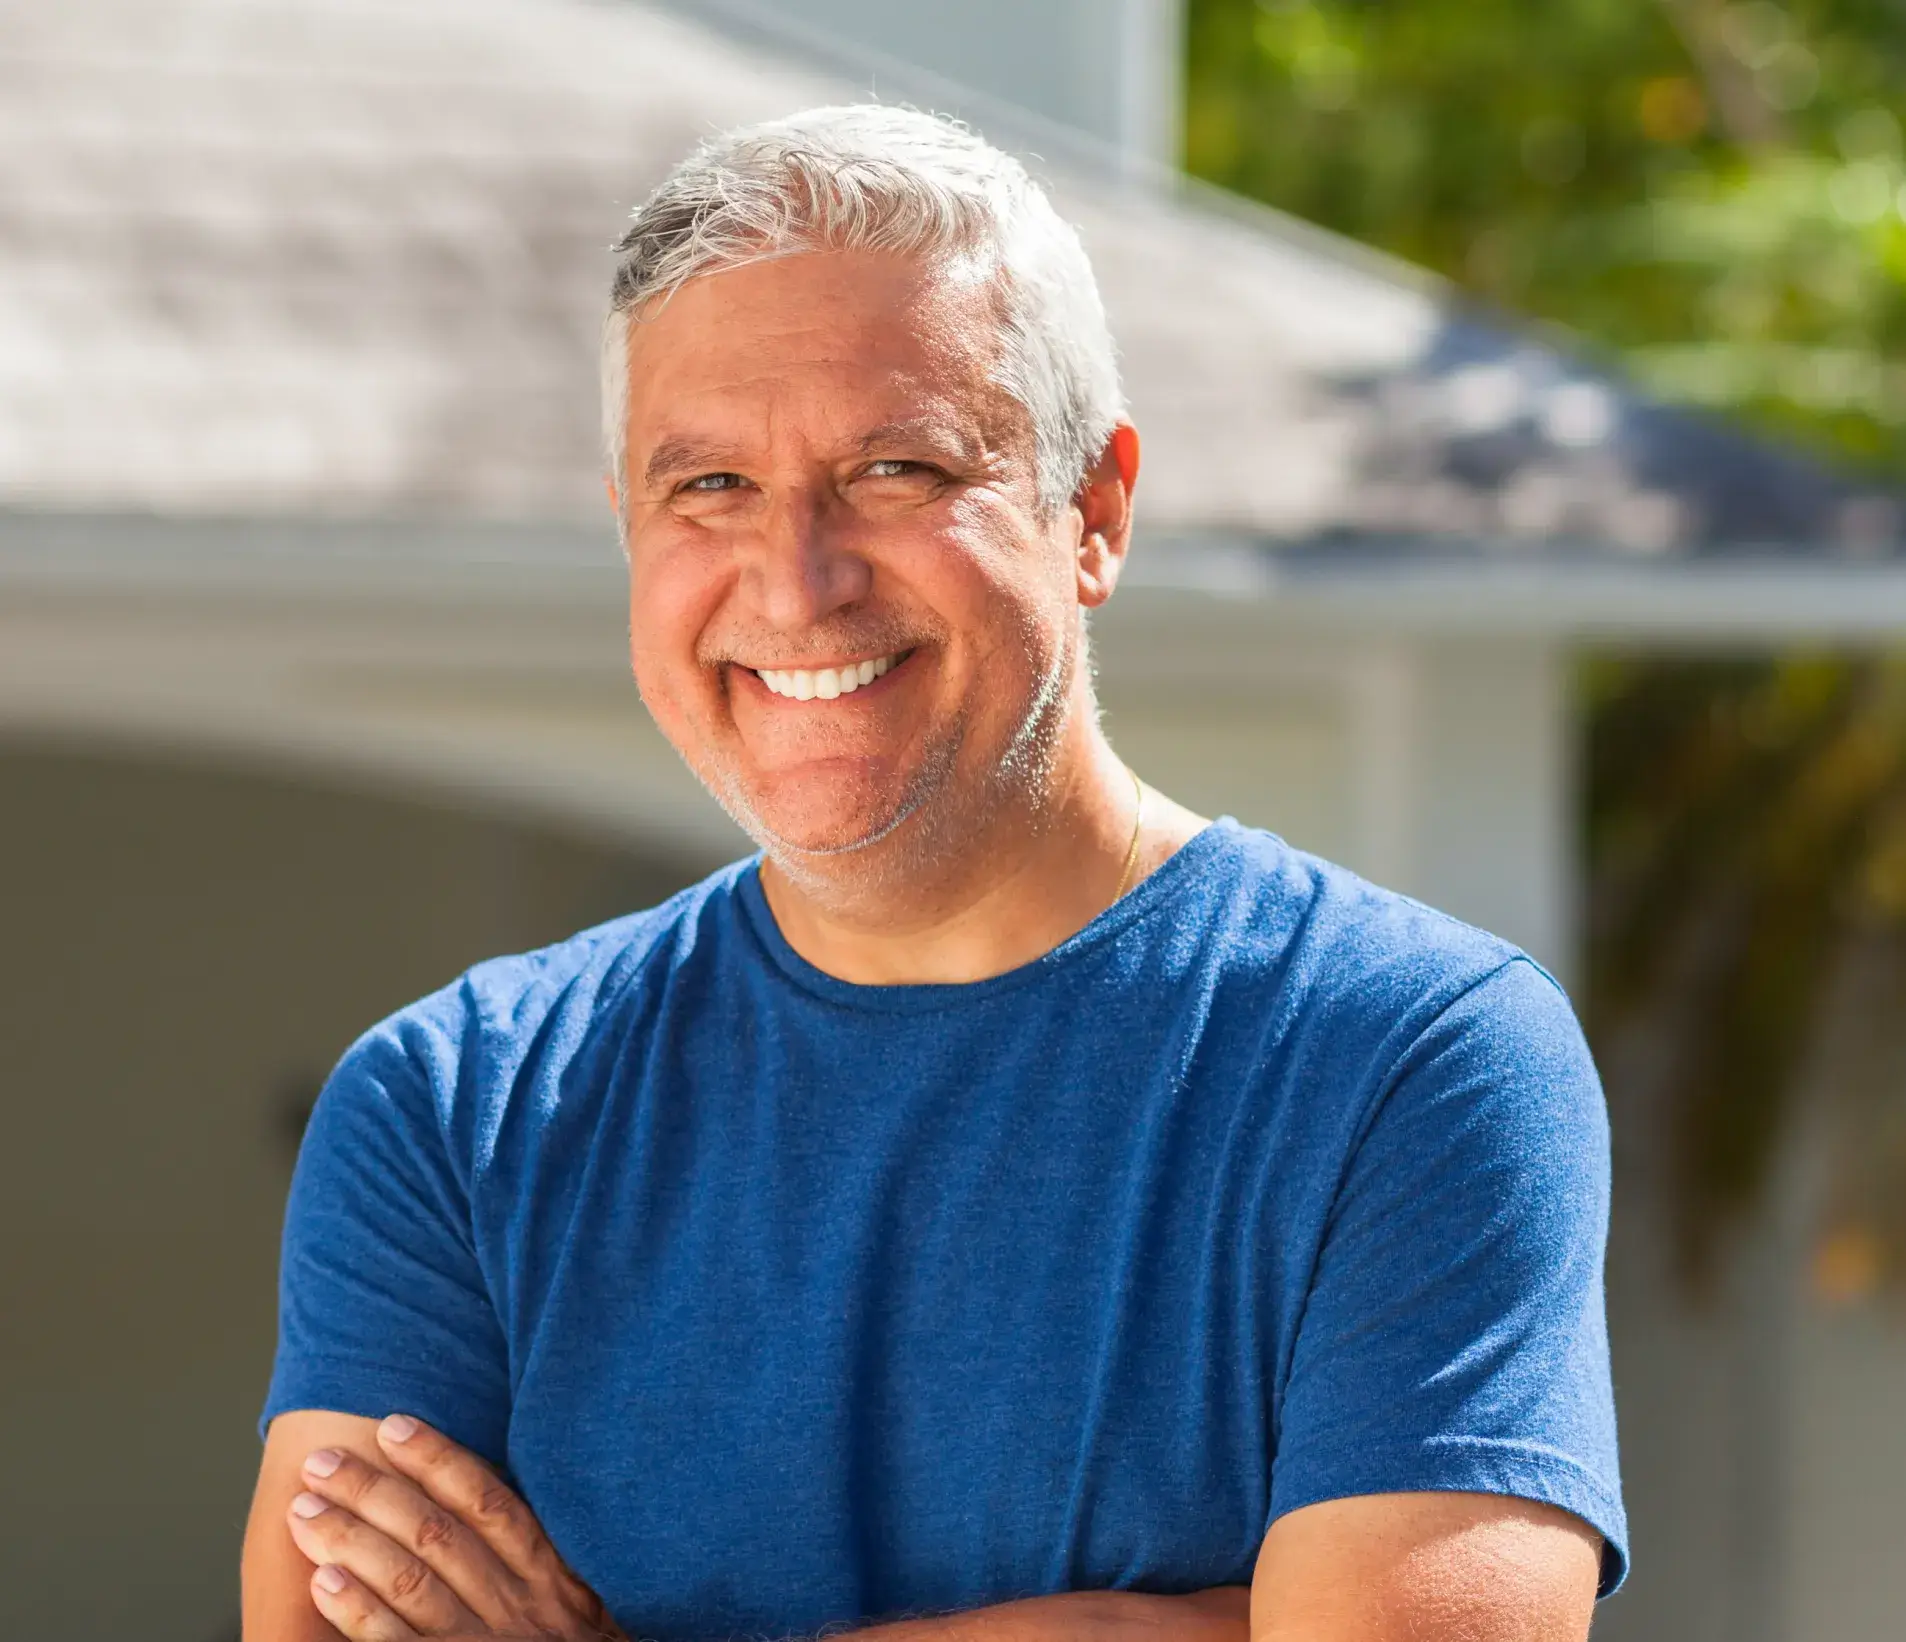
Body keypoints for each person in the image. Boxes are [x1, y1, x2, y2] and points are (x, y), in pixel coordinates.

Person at [240, 105, 1625, 1642]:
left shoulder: (1407, 1058)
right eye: (708, 487)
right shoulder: (459, 1109)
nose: (796, 579)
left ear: (1091, 510)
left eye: (895, 468)